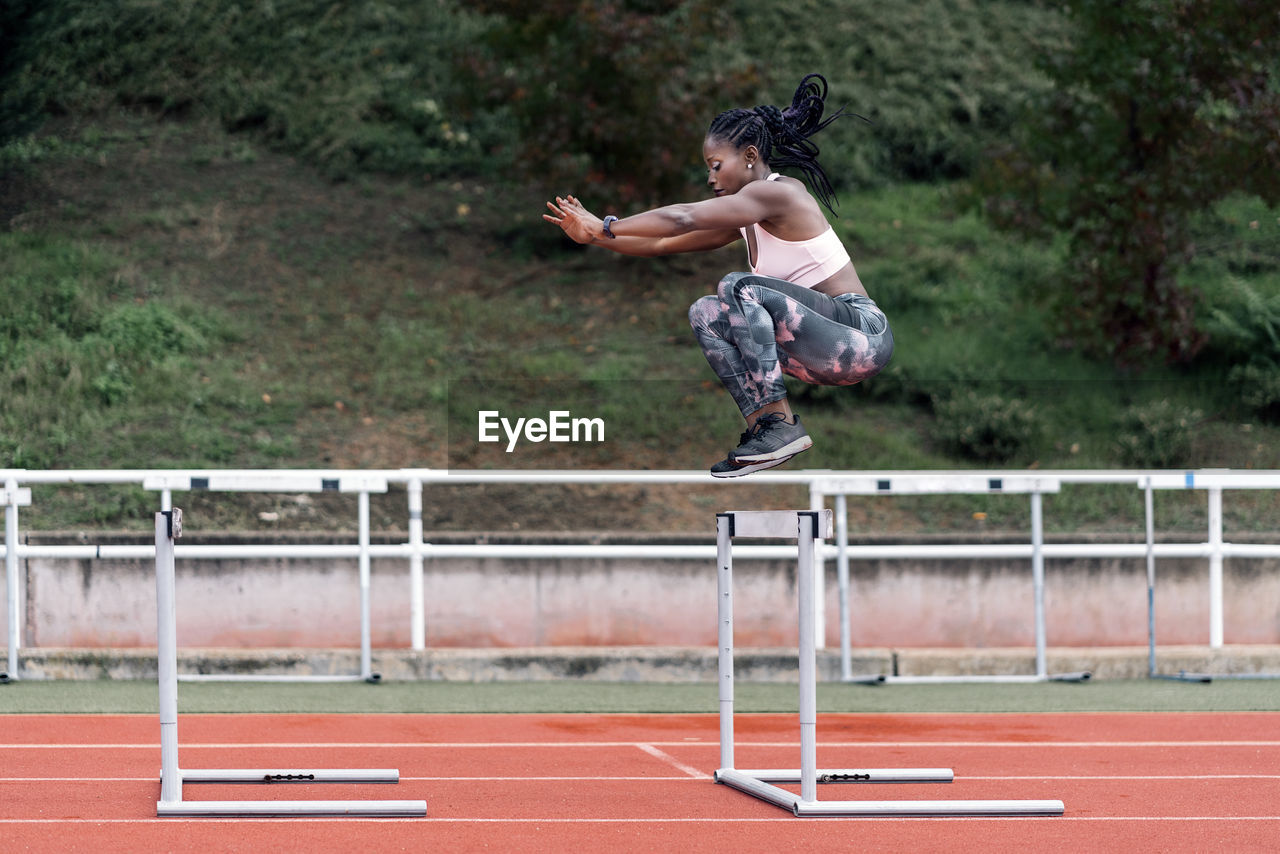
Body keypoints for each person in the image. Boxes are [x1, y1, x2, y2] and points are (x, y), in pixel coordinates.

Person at [543, 74, 893, 477]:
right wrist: (594, 239)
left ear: (749, 155)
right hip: (822, 353)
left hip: (862, 335)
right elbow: (661, 244)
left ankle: (781, 427)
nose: (711, 179)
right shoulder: (745, 219)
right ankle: (768, 426)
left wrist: (606, 224)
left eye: (715, 166)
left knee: (738, 286)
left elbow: (682, 218)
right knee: (706, 312)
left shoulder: (777, 194)